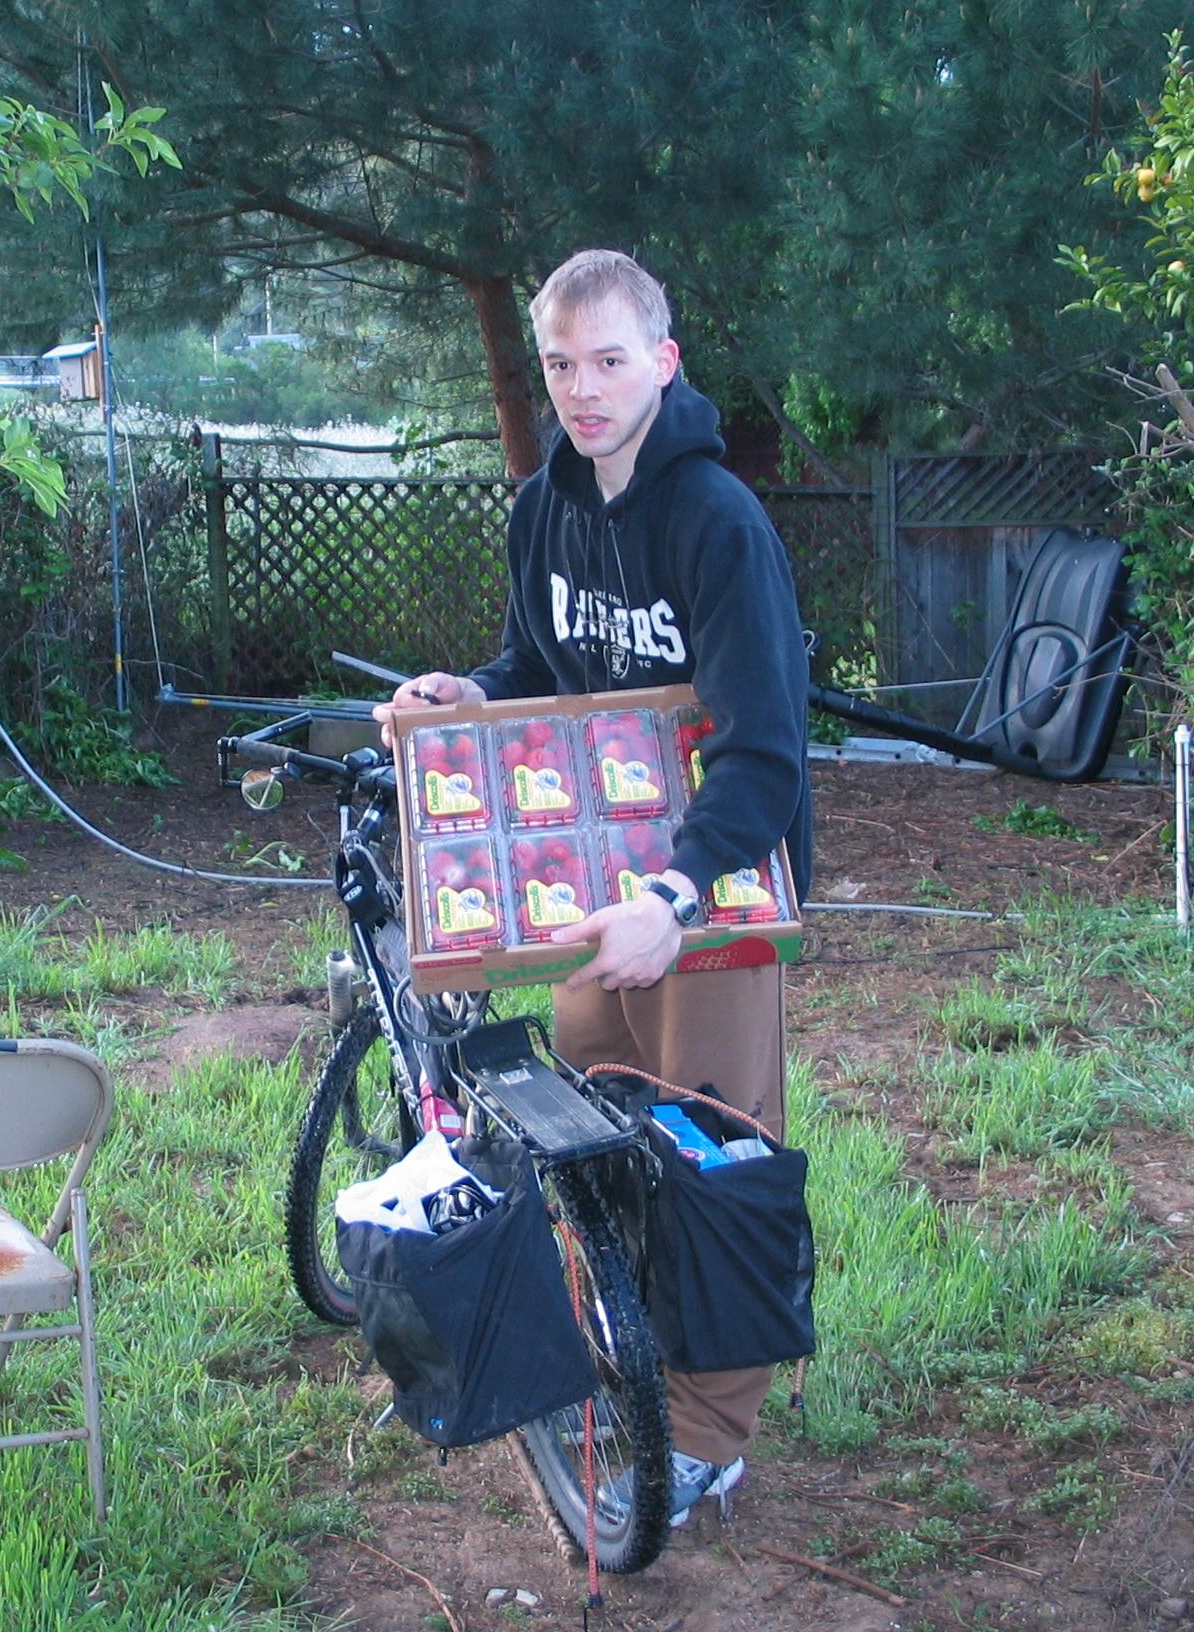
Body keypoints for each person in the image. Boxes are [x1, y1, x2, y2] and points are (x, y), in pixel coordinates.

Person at [374, 248, 812, 1527]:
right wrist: (475, 696)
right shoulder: (540, 510)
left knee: (712, 1153)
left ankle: (710, 1437)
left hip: (706, 901)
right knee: (599, 1135)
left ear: (662, 363)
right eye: (559, 363)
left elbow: (765, 757)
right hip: (588, 889)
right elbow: (543, 669)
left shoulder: (717, 521)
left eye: (609, 360)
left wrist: (672, 902)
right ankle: (626, 1355)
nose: (582, 388)